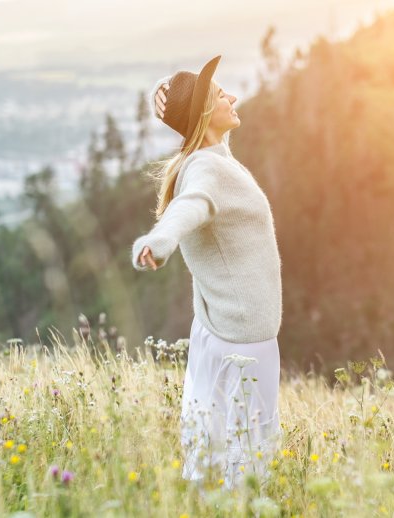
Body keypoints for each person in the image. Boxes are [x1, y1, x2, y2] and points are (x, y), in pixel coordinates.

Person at [130, 54, 283, 489]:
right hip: (244, 342)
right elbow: (191, 206)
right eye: (219, 94)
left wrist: (173, 92)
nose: (232, 97)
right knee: (247, 462)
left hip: (220, 331)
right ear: (204, 114)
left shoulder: (209, 160)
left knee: (211, 455)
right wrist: (160, 240)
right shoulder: (207, 169)